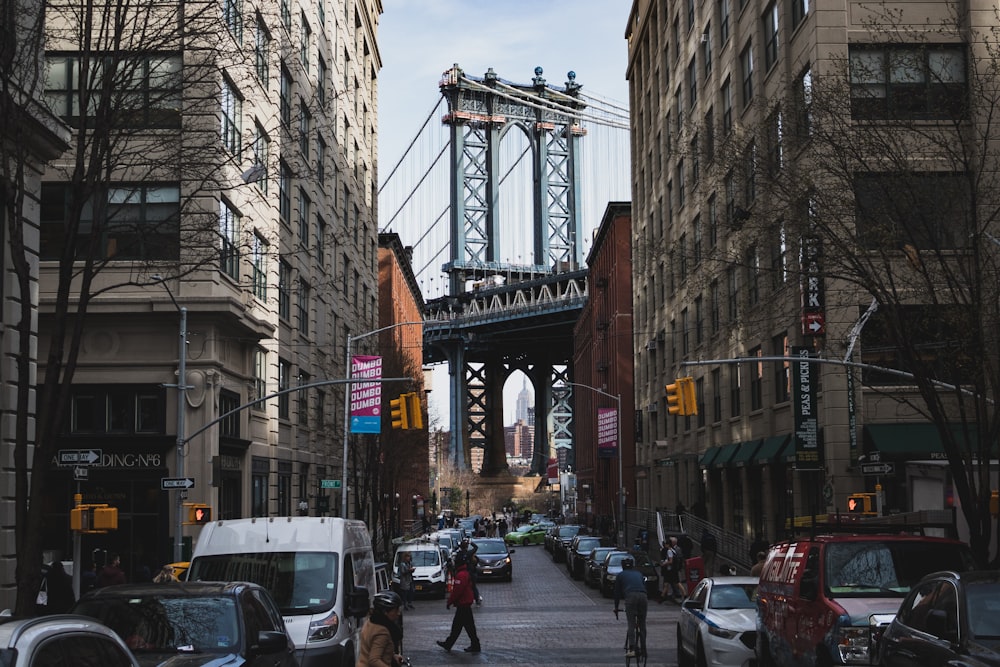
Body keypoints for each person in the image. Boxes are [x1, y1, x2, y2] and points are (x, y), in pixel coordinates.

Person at [436, 552, 481, 653]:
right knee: (462, 626)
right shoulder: (465, 573)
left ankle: (473, 645)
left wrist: (450, 601)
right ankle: (452, 643)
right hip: (465, 604)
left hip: (463, 604)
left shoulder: (461, 575)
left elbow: (457, 591)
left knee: (463, 627)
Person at [357, 590, 405, 667]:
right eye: (396, 610)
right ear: (385, 612)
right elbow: (374, 660)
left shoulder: (371, 622)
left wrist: (393, 656)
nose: (398, 613)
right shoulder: (381, 632)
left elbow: (374, 648)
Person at [613, 556, 647, 659]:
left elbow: (617, 593)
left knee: (631, 623)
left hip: (630, 596)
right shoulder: (639, 574)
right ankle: (644, 649)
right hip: (643, 596)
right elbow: (644, 586)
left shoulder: (620, 575)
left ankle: (632, 649)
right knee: (642, 623)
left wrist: (616, 607)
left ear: (622, 566)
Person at [659, 536, 685, 602]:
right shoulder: (673, 550)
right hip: (672, 570)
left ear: (668, 544)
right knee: (667, 583)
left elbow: (670, 561)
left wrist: (664, 563)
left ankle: (684, 594)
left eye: (666, 544)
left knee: (677, 582)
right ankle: (662, 596)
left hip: (671, 570)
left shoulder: (669, 551)